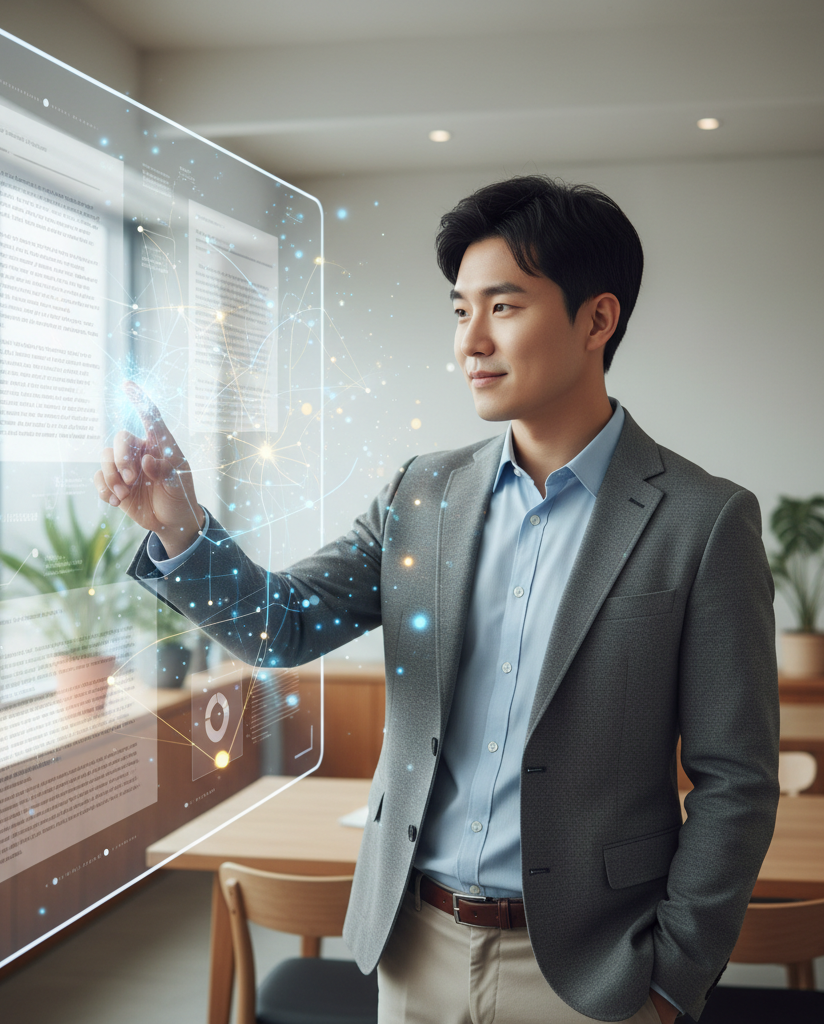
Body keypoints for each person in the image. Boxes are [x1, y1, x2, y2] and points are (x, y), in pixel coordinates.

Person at [94, 176, 779, 1023]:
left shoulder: (704, 522)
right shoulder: (424, 495)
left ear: (597, 320)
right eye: (460, 312)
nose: (472, 343)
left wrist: (671, 983)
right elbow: (284, 626)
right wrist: (182, 528)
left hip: (597, 970)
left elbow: (736, 781)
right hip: (414, 945)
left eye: (504, 307)